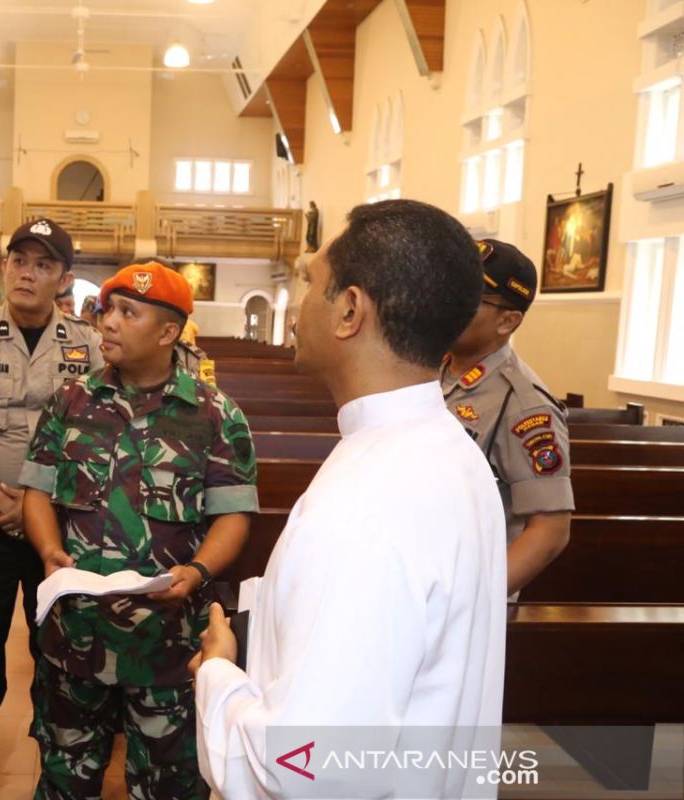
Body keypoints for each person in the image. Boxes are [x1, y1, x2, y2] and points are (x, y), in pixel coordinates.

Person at [192, 199, 507, 799]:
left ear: (349, 311)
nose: (300, 304)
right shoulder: (448, 450)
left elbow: (310, 766)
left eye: (312, 282)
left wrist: (217, 673)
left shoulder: (370, 502)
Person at [21, 261, 259, 799]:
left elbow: (233, 515)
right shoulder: (70, 401)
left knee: (168, 787)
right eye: (107, 309)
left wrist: (198, 570)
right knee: (64, 778)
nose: (108, 322)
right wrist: (49, 549)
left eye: (128, 313)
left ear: (168, 332)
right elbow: (36, 489)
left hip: (167, 644)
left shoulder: (215, 415)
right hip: (76, 638)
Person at [0, 217, 103, 799]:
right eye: (18, 260)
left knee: (56, 651)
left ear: (63, 277)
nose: (26, 273)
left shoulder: (87, 345)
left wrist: (34, 506)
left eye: (41, 264)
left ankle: (60, 765)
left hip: (56, 526)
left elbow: (91, 434)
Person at [443, 239, 574, 594]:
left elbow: (550, 531)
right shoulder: (431, 368)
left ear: (507, 321)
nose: (449, 303)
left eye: (470, 297)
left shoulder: (525, 406)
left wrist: (475, 603)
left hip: (463, 596)